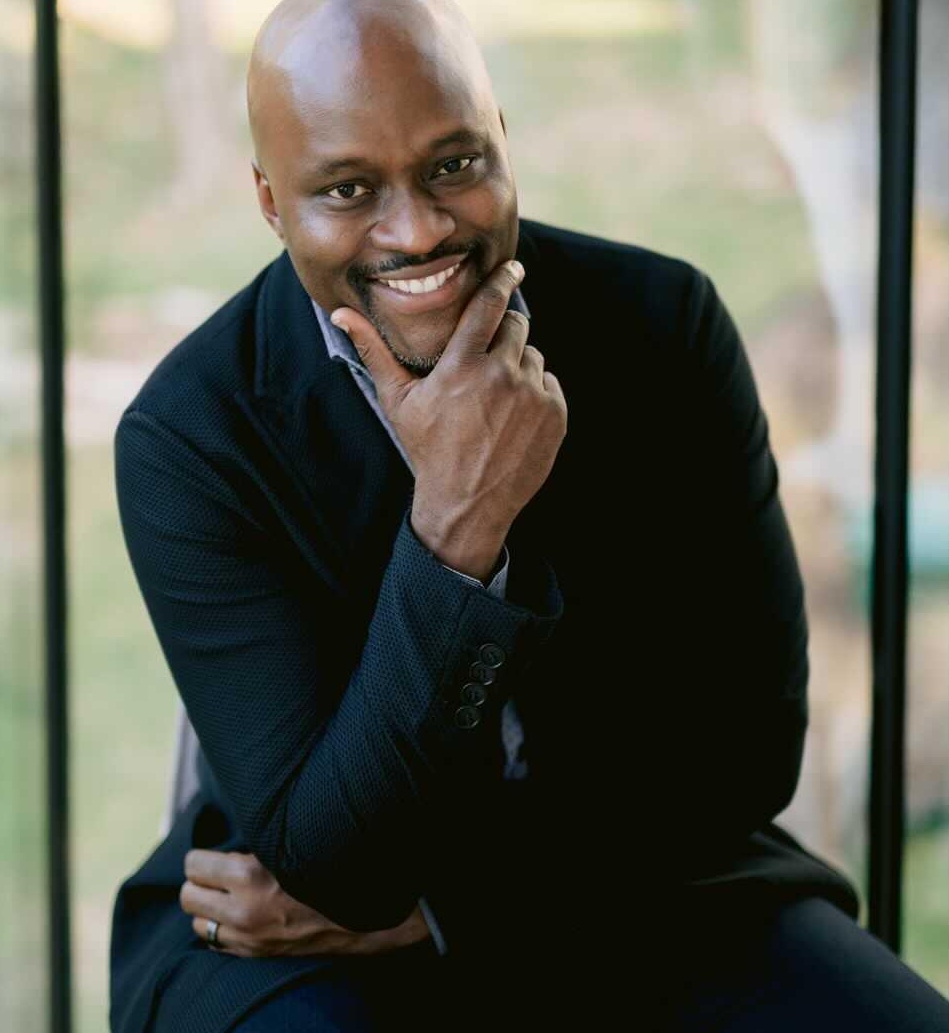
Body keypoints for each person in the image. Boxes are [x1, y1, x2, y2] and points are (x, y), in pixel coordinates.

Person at [109, 1, 949, 1030]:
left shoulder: (664, 330)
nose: (418, 229)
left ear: (502, 141)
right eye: (346, 189)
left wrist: (441, 912)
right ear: (271, 203)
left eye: (453, 165)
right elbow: (339, 864)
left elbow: (744, 758)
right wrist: (457, 532)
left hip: (642, 878)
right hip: (287, 922)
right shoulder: (192, 435)